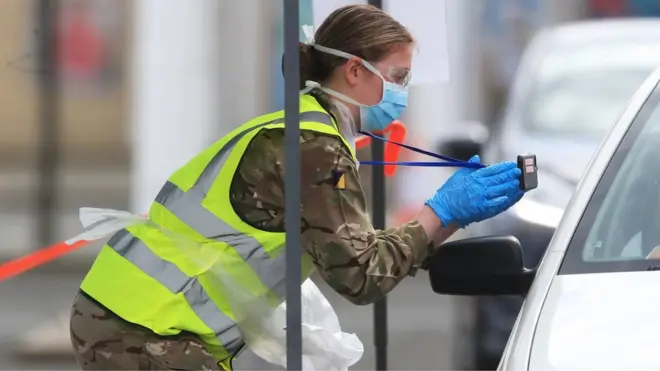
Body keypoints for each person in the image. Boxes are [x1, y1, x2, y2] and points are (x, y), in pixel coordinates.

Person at [69, 4, 526, 370]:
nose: (403, 91)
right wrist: (442, 214)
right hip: (147, 326)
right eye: (398, 76)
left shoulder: (301, 125)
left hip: (136, 315)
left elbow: (353, 252)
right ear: (354, 70)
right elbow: (360, 274)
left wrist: (439, 222)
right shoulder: (314, 147)